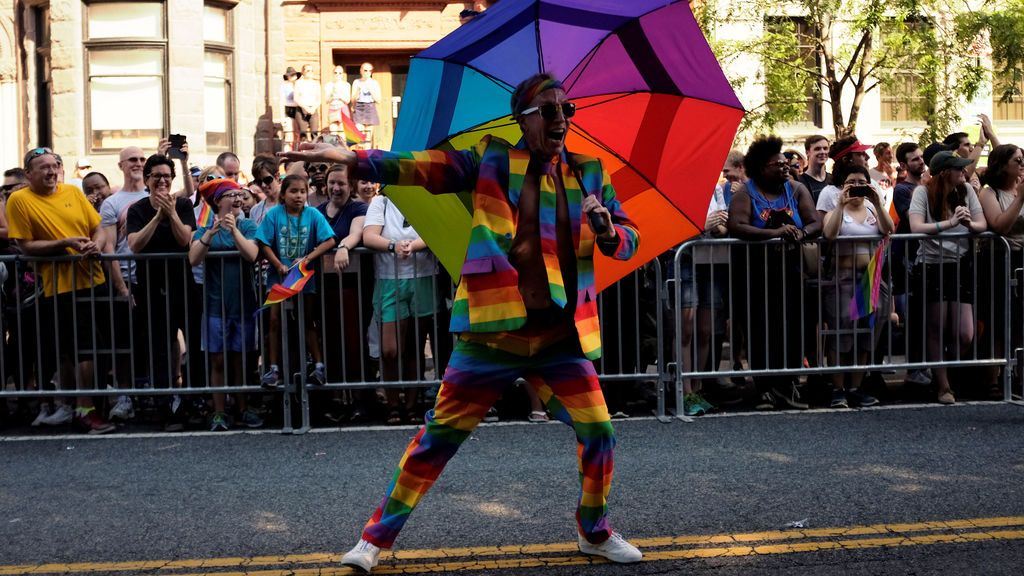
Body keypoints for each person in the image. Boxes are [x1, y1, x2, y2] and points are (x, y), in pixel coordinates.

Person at [282, 72, 642, 571]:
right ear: (524, 118)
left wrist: (608, 232)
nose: (562, 118)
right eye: (550, 109)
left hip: (560, 338)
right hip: (492, 333)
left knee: (599, 431)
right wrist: (355, 158)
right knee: (438, 439)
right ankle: (374, 540)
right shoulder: (494, 159)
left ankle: (595, 531)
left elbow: (628, 239)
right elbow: (427, 167)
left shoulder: (589, 172)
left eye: (568, 109)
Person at [5, 147, 115, 433]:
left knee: (87, 349)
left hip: (93, 279)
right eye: (43, 167)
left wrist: (97, 245)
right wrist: (64, 242)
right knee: (80, 351)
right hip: (59, 286)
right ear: (29, 173)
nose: (51, 171)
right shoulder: (19, 199)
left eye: (54, 165)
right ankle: (85, 410)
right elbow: (25, 246)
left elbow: (98, 227)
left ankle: (81, 407)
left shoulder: (73, 192)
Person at [728, 135, 821, 411]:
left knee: (793, 329)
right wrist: (775, 233)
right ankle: (765, 390)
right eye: (777, 164)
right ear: (760, 168)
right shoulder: (746, 192)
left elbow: (815, 221)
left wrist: (802, 233)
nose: (784, 167)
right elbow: (737, 225)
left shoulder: (796, 189)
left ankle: (788, 386)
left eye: (785, 163)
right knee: (760, 331)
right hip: (756, 274)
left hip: (790, 273)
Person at [907, 151, 987, 405]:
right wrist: (950, 223)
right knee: (936, 328)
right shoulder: (922, 192)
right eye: (958, 168)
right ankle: (943, 385)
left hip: (960, 264)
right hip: (932, 264)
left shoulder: (966, 190)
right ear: (944, 172)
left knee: (964, 332)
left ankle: (945, 371)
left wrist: (969, 225)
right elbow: (916, 227)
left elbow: (982, 223)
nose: (963, 172)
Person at [126, 155, 198, 429]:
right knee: (158, 346)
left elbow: (184, 239)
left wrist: (171, 214)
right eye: (156, 176)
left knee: (193, 342)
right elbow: (135, 244)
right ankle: (163, 405)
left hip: (183, 284)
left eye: (167, 176)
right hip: (151, 287)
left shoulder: (182, 205)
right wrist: (157, 217)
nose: (162, 180)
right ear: (146, 180)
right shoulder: (137, 210)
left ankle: (193, 401)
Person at [188, 178, 263, 431]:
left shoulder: (249, 225)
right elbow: (193, 259)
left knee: (241, 359)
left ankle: (243, 407)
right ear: (218, 201)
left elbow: (252, 255)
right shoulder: (204, 228)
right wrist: (211, 232)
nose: (238, 199)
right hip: (214, 305)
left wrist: (234, 231)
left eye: (239, 194)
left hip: (243, 304)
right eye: (231, 194)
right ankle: (219, 411)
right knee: (218, 359)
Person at [363, 186, 438, 425]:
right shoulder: (381, 202)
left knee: (415, 346)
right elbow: (370, 236)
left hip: (423, 276)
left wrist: (413, 246)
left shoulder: (425, 196)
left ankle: (411, 404)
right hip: (388, 279)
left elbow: (435, 230)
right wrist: (393, 246)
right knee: (390, 349)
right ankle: (393, 401)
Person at [255, 174, 337, 389]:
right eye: (293, 191)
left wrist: (307, 258)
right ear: (283, 194)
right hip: (278, 278)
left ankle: (318, 365)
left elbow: (329, 240)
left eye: (302, 191)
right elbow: (263, 242)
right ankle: (273, 369)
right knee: (274, 321)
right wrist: (278, 264)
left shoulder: (312, 214)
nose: (298, 196)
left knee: (307, 320)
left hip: (303, 278)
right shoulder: (274, 215)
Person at [821, 164, 893, 408]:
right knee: (841, 333)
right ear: (843, 186)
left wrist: (878, 202)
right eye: (851, 182)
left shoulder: (873, 208)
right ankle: (838, 389)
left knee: (866, 333)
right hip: (842, 279)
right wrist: (841, 205)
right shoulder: (835, 210)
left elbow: (888, 230)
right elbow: (829, 235)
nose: (856, 186)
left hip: (870, 278)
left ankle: (856, 387)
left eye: (861, 181)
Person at [99, 146, 152, 422]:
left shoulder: (154, 194)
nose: (139, 164)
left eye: (143, 159)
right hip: (127, 278)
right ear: (120, 165)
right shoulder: (112, 202)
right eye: (133, 159)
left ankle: (155, 394)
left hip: (154, 277)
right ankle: (124, 396)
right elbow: (109, 247)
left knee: (154, 338)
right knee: (123, 340)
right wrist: (120, 287)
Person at [977, 144, 1024, 397]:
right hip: (1000, 260)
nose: (1021, 163)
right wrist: (1019, 198)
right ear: (1002, 164)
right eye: (1017, 160)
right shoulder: (989, 192)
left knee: (1021, 322)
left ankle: (1020, 377)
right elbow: (999, 226)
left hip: (1022, 260)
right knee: (999, 319)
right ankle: (993, 378)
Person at [892, 142, 931, 389]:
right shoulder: (902, 190)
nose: (920, 161)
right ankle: (914, 369)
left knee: (927, 315)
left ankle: (927, 365)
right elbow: (914, 219)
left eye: (920, 157)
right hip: (905, 259)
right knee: (912, 317)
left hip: (927, 258)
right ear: (904, 166)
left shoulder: (928, 187)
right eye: (914, 159)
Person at [351, 62, 381, 147]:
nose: (367, 72)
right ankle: (360, 156)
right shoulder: (356, 82)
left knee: (368, 137)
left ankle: (367, 158)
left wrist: (370, 89)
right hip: (359, 107)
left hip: (370, 107)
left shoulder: (374, 83)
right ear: (361, 71)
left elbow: (378, 100)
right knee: (360, 136)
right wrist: (357, 92)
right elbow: (352, 99)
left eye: (369, 71)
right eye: (365, 70)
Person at [248, 156, 281, 226]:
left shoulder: (294, 203)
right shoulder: (255, 211)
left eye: (267, 180)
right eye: (259, 182)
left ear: (277, 176)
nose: (263, 185)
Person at [799, 135, 831, 204]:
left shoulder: (834, 180)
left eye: (825, 148)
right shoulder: (799, 182)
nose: (822, 152)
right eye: (817, 149)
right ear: (807, 153)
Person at [294, 64, 322, 142]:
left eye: (311, 70)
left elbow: (319, 99)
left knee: (314, 133)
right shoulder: (298, 83)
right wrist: (305, 107)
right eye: (307, 70)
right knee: (303, 134)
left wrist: (313, 108)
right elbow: (296, 98)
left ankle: (315, 152)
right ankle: (304, 152)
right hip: (301, 109)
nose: (310, 72)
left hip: (313, 110)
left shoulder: (316, 83)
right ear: (303, 72)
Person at [325, 66, 352, 134]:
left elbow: (347, 100)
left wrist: (339, 96)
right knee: (333, 132)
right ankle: (334, 144)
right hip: (332, 108)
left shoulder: (346, 85)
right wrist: (332, 94)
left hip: (342, 108)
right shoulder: (329, 85)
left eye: (340, 73)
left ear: (342, 74)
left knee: (342, 133)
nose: (337, 74)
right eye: (335, 72)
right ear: (333, 74)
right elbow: (326, 100)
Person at [281, 67, 302, 148]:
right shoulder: (284, 86)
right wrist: (282, 117)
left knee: (298, 135)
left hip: (299, 111)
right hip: (289, 111)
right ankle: (287, 157)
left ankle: (297, 156)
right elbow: (282, 101)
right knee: (289, 136)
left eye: (294, 75)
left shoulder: (300, 85)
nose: (292, 77)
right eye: (290, 75)